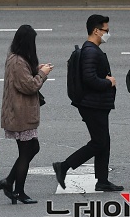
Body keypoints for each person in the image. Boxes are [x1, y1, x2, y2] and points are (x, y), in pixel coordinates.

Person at [53, 14, 124, 193]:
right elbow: (89, 79)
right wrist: (109, 82)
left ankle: (102, 181)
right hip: (92, 105)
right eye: (106, 30)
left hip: (97, 103)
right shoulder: (91, 51)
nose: (108, 33)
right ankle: (64, 166)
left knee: (103, 141)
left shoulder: (92, 49)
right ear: (96, 31)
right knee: (99, 142)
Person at [0, 25, 53, 205]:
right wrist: (42, 74)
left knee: (31, 148)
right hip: (20, 114)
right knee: (27, 151)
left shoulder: (17, 58)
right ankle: (18, 191)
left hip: (19, 113)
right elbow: (30, 86)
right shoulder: (18, 61)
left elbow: (23, 78)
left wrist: (37, 69)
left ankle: (9, 182)